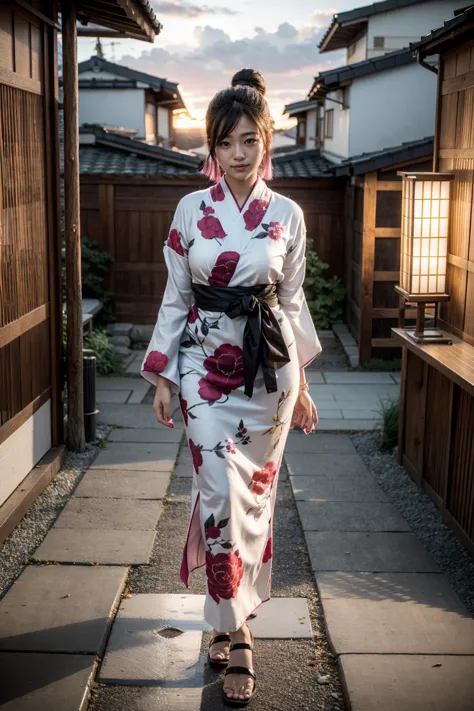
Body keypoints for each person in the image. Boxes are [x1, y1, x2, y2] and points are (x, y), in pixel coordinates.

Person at [141, 67, 321, 707]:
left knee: (253, 502)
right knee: (218, 490)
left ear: (266, 142)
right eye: (227, 143)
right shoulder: (191, 211)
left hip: (269, 373)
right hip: (204, 371)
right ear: (211, 150)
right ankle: (239, 631)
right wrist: (162, 374)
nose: (240, 155)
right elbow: (176, 294)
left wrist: (300, 387)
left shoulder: (289, 215)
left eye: (250, 141)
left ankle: (225, 617)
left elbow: (294, 301)